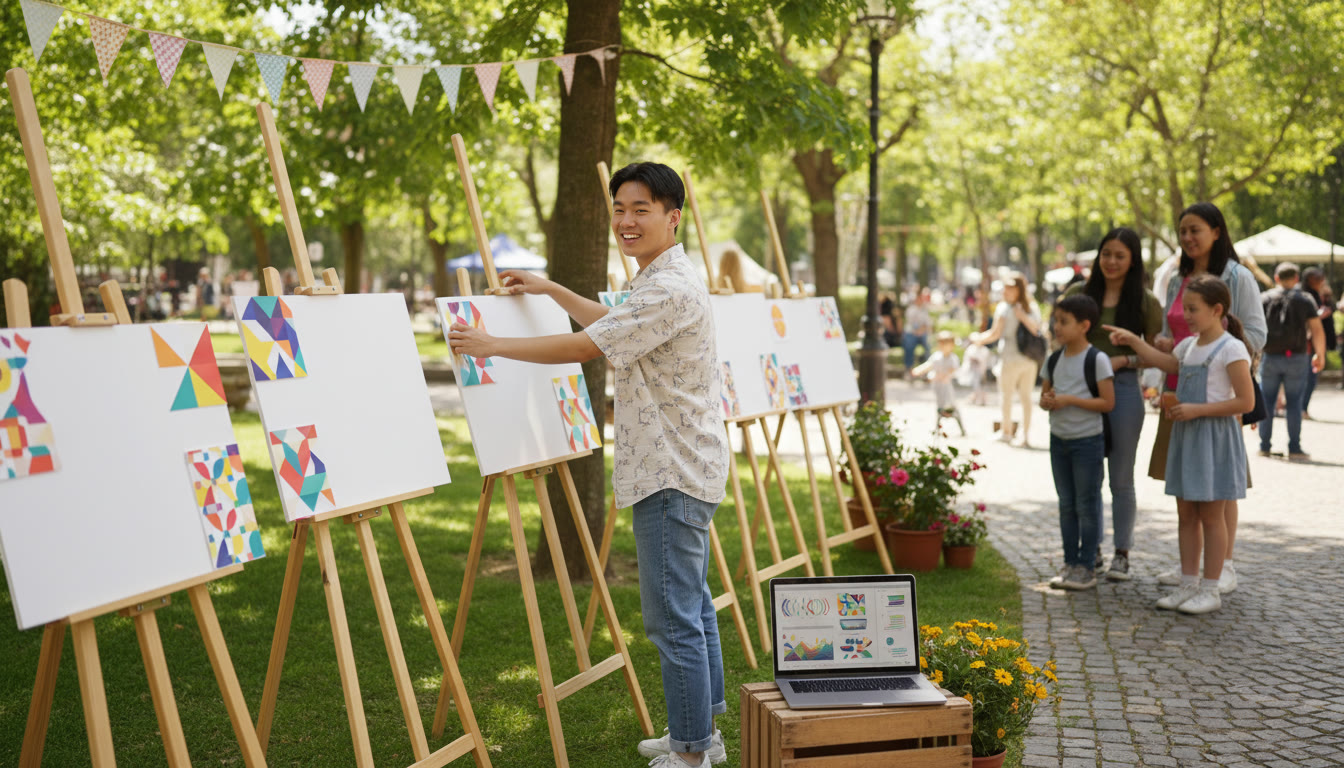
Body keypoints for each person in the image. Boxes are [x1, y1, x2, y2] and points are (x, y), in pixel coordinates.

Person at [448, 162, 730, 768]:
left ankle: (689, 754)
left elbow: (586, 347)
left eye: (642, 210)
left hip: (670, 471)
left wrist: (493, 346)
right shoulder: (663, 279)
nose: (627, 221)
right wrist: (551, 290)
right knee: (695, 605)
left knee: (672, 617)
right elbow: (613, 325)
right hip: (684, 465)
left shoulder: (669, 287)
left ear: (672, 216)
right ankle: (703, 733)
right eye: (620, 209)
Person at [1107, 275, 1256, 614]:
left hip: (1214, 440)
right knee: (1186, 513)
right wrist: (1133, 340)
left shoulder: (1231, 348)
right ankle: (1188, 584)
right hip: (1187, 436)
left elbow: (1245, 402)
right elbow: (1164, 363)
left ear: (1217, 310)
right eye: (1185, 308)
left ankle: (1211, 588)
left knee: (1212, 516)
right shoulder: (1188, 346)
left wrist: (1197, 409)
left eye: (1193, 309)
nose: (1186, 316)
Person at [1148, 202, 1265, 595]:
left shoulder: (1237, 276)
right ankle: (1191, 570)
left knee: (1218, 485)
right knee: (1186, 482)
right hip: (1179, 389)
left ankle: (1223, 566)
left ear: (1217, 230)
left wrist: (1218, 360)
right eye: (1182, 231)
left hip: (1218, 393)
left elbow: (1254, 333)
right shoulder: (1178, 276)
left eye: (1195, 229)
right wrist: (1170, 347)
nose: (1188, 238)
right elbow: (1172, 330)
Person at [1064, 228, 1162, 581]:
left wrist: (1123, 362)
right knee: (1086, 480)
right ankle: (1092, 552)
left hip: (1123, 390)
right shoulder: (1078, 293)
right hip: (1079, 389)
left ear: (1132, 259)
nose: (1112, 261)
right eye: (1106, 254)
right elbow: (1059, 338)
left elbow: (1155, 354)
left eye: (1120, 255)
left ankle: (1122, 552)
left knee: (1121, 479)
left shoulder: (1145, 302)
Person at [1040, 294, 1116, 591]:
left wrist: (1070, 400)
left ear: (1084, 325)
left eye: (1063, 322)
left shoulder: (1096, 359)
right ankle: (1070, 562)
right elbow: (1045, 397)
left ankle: (1086, 566)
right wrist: (1048, 401)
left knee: (1087, 504)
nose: (1057, 327)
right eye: (1056, 320)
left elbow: (1108, 402)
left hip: (1087, 442)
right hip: (1058, 441)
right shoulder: (1054, 358)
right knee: (1066, 504)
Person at [1257, 262, 1325, 461]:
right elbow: (1317, 329)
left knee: (1267, 402)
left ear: (1276, 278)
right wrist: (1320, 355)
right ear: (1296, 279)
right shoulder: (1305, 299)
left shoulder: (1265, 298)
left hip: (1269, 356)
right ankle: (1294, 447)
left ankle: (1264, 446)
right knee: (1294, 403)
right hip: (1296, 357)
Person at [971, 271, 1044, 447]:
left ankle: (1009, 433)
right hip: (1029, 359)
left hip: (1012, 358)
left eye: (1010, 288)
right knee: (1024, 397)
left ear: (1018, 290)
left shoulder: (1007, 309)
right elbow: (1038, 329)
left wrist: (977, 339)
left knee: (1008, 396)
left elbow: (995, 334)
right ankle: (1022, 435)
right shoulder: (1031, 307)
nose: (1006, 291)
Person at [912, 331, 965, 436]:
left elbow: (953, 369)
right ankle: (938, 425)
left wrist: (943, 375)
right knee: (939, 405)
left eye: (945, 344)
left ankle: (959, 426)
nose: (942, 346)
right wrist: (919, 370)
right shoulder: (937, 356)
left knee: (950, 404)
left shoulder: (952, 358)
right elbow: (929, 364)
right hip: (937, 386)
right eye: (941, 344)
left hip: (946, 386)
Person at [1300, 267, 1334, 416]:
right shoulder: (1306, 296)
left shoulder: (1314, 295)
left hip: (1313, 345)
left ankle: (1302, 408)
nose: (1322, 280)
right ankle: (1301, 409)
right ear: (1310, 280)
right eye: (1319, 277)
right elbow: (1305, 321)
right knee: (1309, 378)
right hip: (1308, 345)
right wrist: (1318, 316)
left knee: (1310, 378)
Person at [902, 289, 932, 377]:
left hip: (922, 333)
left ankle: (925, 371)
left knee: (927, 347)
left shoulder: (925, 310)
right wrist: (917, 330)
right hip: (911, 332)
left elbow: (928, 323)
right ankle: (908, 369)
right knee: (909, 345)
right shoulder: (911, 309)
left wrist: (922, 330)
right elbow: (911, 323)